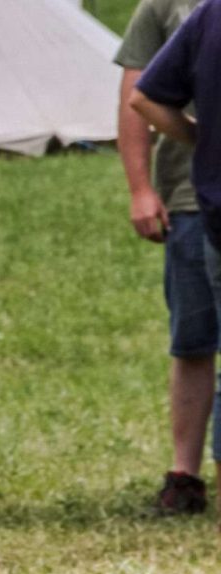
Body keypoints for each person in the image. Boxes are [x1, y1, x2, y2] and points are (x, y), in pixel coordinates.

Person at [121, 0, 221, 515]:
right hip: (188, 198)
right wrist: (141, 187)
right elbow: (139, 95)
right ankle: (185, 474)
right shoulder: (166, 6)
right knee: (193, 338)